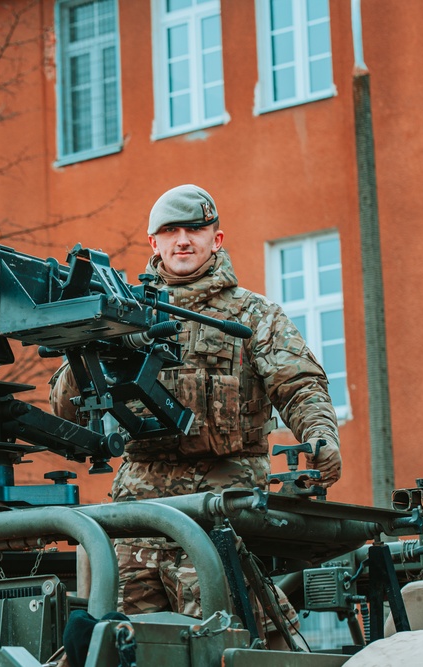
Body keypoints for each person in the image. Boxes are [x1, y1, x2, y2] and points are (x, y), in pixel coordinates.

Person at [49, 184, 342, 641]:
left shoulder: (254, 315)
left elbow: (300, 385)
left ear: (216, 239)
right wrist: (82, 344)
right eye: (170, 231)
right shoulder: (123, 315)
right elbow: (66, 409)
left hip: (222, 507)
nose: (182, 240)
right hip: (137, 513)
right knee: (121, 640)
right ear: (154, 244)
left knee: (225, 638)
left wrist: (320, 435)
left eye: (194, 229)